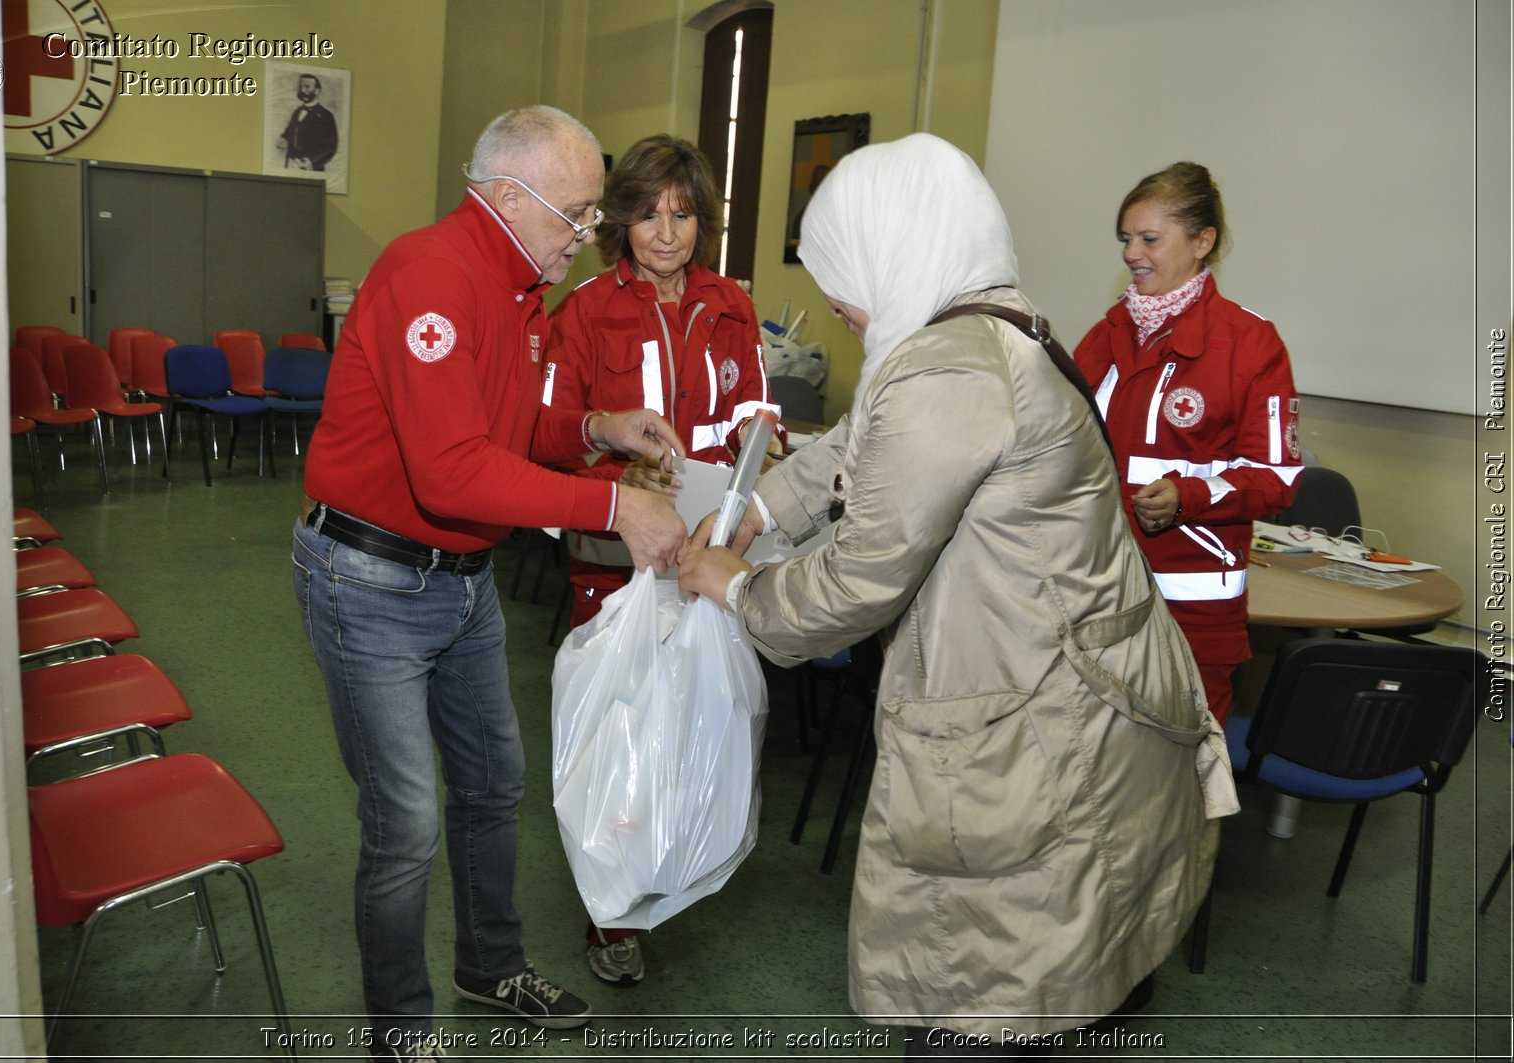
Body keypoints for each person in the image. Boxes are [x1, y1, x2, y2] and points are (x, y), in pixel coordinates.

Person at [678, 133, 1234, 1059]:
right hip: (1094, 696)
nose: (838, 302)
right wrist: (757, 514)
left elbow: (864, 574)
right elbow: (850, 447)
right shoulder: (991, 326)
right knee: (1073, 964)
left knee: (985, 1000)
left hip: (1041, 725)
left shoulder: (948, 367)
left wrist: (741, 588)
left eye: (842, 274)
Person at [292, 105, 687, 1061]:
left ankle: (489, 962)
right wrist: (612, 508)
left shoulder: (519, 290)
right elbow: (453, 471)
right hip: (370, 578)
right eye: (579, 214)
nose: (587, 236)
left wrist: (599, 429)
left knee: (491, 785)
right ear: (510, 198)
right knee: (407, 818)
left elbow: (513, 434)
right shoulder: (433, 274)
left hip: (459, 580)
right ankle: (401, 1029)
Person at [544, 133, 779, 986]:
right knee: (614, 732)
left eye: (682, 214)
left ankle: (673, 864)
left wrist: (758, 449)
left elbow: (757, 416)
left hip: (706, 557)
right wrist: (616, 468)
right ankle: (608, 913)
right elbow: (552, 437)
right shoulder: (583, 311)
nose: (668, 233)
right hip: (616, 562)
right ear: (621, 222)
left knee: (686, 727)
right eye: (649, 215)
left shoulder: (732, 307)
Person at [1072, 162, 1303, 727]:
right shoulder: (1106, 335)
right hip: (1091, 590)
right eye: (1126, 239)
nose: (1131, 253)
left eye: (1149, 238)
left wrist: (1189, 496)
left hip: (1191, 607)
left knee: (1186, 774)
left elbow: (1277, 478)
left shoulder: (1250, 343)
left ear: (1203, 242)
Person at [279, 72, 338, 171]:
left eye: (307, 87)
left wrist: (312, 162)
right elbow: (290, 131)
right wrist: (283, 138)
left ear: (317, 91)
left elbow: (331, 146)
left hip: (312, 169)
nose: (302, 90)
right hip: (291, 165)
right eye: (301, 86)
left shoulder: (326, 116)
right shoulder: (297, 111)